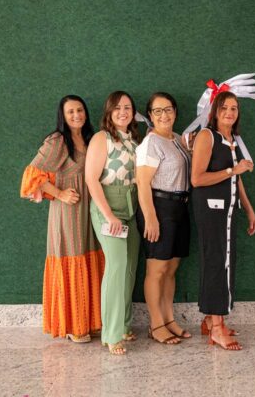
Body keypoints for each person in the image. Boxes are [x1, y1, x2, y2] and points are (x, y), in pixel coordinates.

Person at [20, 95, 102, 344]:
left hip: (90, 209)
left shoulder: (90, 138)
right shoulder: (57, 141)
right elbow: (32, 174)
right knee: (73, 257)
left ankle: (91, 321)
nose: (76, 115)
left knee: (90, 255)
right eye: (71, 112)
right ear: (63, 116)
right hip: (69, 212)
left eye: (80, 110)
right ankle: (74, 325)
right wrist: (59, 194)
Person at [191, 92, 255, 351]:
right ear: (214, 112)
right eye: (224, 108)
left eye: (234, 108)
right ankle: (217, 329)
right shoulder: (207, 136)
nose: (229, 112)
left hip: (228, 211)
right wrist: (233, 169)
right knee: (216, 262)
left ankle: (211, 319)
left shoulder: (233, 140)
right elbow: (197, 179)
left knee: (226, 260)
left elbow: (236, 180)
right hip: (210, 210)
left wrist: (249, 209)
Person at [85, 91, 141, 356]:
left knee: (129, 269)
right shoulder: (101, 138)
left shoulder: (134, 140)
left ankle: (125, 325)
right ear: (109, 111)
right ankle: (111, 334)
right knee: (116, 267)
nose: (123, 112)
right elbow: (91, 179)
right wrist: (109, 216)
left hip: (131, 209)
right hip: (107, 209)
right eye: (117, 107)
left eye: (127, 107)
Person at [135, 92, 193, 345]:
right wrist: (151, 218)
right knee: (156, 269)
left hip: (181, 207)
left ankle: (169, 320)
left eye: (168, 109)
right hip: (159, 208)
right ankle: (156, 324)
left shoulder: (178, 139)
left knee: (171, 268)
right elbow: (142, 183)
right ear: (150, 115)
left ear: (175, 112)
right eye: (157, 111)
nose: (164, 115)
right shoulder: (151, 143)